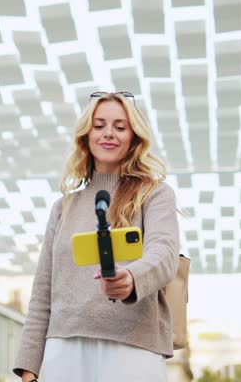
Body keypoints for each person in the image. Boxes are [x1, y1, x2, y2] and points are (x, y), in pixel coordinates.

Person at [12, 91, 180, 382]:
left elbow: (164, 254)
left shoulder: (155, 194)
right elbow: (42, 291)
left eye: (120, 127)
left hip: (133, 348)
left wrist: (131, 278)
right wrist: (28, 368)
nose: (108, 133)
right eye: (99, 125)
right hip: (63, 350)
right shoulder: (63, 207)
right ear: (86, 135)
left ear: (134, 137)